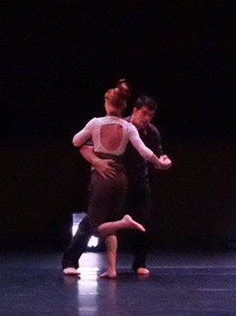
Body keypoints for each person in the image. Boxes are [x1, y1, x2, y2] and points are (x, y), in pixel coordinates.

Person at [70, 81, 171, 278]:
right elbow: (84, 147)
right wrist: (98, 162)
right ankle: (77, 262)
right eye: (144, 113)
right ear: (133, 110)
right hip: (115, 176)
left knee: (141, 220)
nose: (147, 118)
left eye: (151, 115)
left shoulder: (150, 132)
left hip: (136, 181)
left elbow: (153, 154)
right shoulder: (121, 125)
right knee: (95, 221)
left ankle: (138, 264)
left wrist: (162, 161)